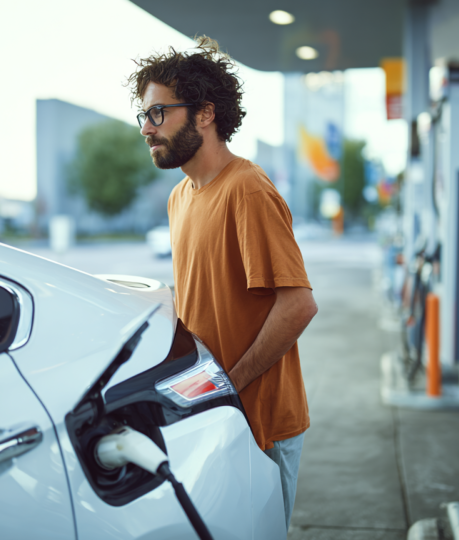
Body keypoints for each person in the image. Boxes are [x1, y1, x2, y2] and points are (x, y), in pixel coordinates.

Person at [127, 37, 317, 530]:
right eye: (143, 116)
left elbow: (298, 305)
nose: (147, 128)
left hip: (260, 423)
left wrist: (230, 384)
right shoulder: (180, 197)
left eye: (159, 113)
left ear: (205, 114)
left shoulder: (247, 189)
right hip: (212, 416)